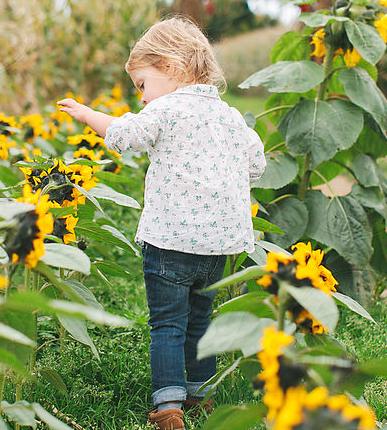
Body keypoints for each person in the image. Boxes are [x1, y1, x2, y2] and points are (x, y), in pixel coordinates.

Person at [58, 15, 265, 430]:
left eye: (142, 85)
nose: (142, 98)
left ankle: (169, 405)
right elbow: (256, 166)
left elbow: (124, 135)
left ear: (171, 68)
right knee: (200, 320)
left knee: (168, 323)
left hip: (170, 240)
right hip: (218, 246)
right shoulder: (230, 118)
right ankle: (201, 394)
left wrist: (87, 115)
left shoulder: (167, 108)